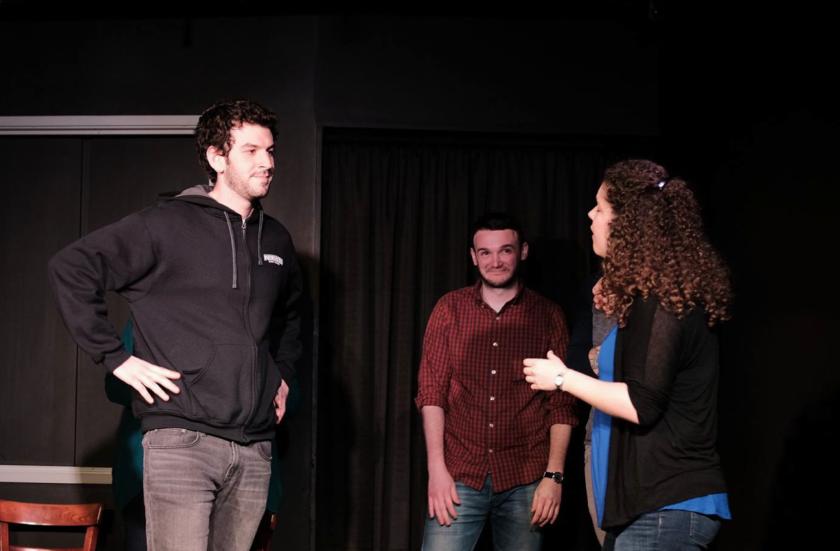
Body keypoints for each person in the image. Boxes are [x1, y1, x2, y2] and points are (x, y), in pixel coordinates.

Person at [48, 99, 302, 551]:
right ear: (216, 157)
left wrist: (282, 375)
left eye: (270, 150)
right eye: (251, 151)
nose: (267, 162)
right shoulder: (164, 225)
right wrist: (116, 358)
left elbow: (290, 317)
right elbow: (72, 267)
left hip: (255, 448)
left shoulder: (276, 238)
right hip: (182, 442)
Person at [524, 159, 732, 550]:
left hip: (666, 504)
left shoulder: (664, 302)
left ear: (626, 223)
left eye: (600, 208)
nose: (590, 215)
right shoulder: (646, 300)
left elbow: (641, 403)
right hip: (641, 507)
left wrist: (562, 378)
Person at [414, 212, 579, 550]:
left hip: (526, 477)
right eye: (485, 252)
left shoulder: (548, 315)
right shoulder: (450, 309)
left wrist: (554, 476)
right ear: (473, 257)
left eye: (505, 250)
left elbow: (562, 404)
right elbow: (432, 393)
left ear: (523, 252)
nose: (496, 261)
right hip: (460, 473)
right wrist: (437, 470)